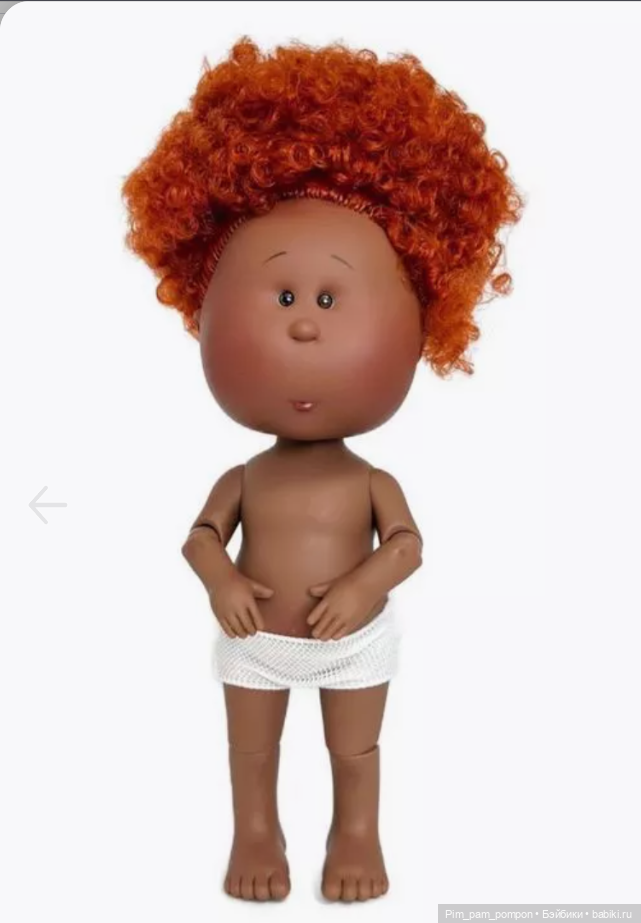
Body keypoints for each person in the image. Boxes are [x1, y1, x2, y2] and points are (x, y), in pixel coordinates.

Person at [121, 35, 524, 903]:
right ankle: (255, 831)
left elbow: (407, 544)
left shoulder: (370, 480)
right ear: (203, 310)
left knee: (355, 747)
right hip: (254, 640)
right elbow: (198, 536)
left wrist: (362, 583)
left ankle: (355, 833)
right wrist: (221, 579)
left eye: (331, 298)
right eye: (282, 296)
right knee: (250, 747)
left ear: (422, 327)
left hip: (354, 640)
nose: (304, 324)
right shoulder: (243, 475)